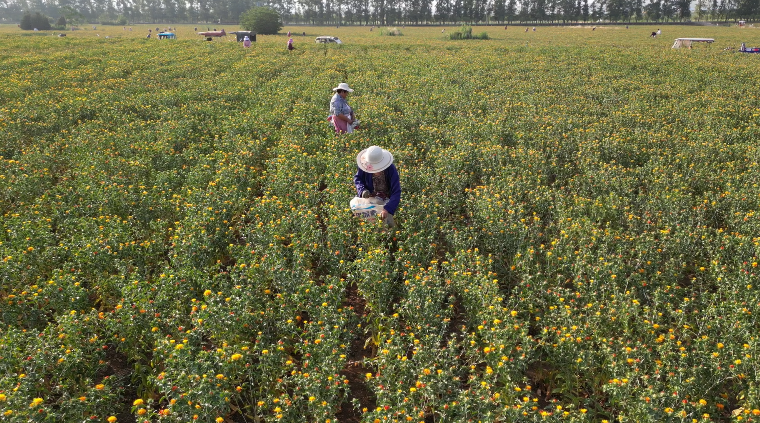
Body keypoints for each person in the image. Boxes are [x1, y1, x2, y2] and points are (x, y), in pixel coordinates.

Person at [354, 146, 401, 228]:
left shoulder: (391, 169)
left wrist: (387, 209)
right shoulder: (364, 166)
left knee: (386, 225)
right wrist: (362, 190)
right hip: (369, 199)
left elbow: (396, 191)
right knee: (365, 223)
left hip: (387, 200)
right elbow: (358, 178)